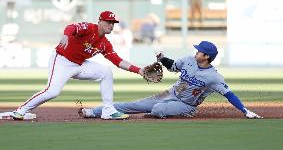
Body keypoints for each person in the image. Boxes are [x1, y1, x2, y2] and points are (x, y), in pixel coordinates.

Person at [11, 11, 144, 120]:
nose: (111, 25)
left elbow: (118, 61)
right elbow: (72, 27)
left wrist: (139, 70)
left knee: (106, 72)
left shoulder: (105, 43)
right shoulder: (89, 28)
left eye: (113, 23)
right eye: (108, 22)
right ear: (100, 21)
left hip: (79, 65)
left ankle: (108, 110)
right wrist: (66, 36)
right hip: (62, 60)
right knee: (52, 92)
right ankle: (20, 111)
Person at [78, 41, 263, 119]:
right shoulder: (189, 60)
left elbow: (229, 94)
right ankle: (93, 112)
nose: (196, 51)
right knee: (133, 105)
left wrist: (245, 110)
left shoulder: (213, 77)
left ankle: (170, 113)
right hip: (169, 94)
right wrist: (162, 57)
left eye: (199, 50)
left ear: (206, 56)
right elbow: (173, 66)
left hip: (186, 105)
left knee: (157, 109)